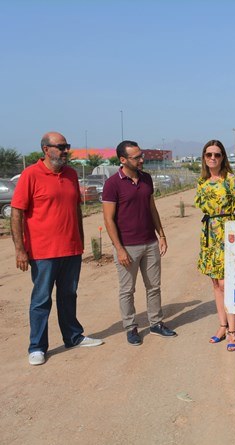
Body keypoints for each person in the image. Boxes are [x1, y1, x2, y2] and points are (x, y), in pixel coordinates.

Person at [11, 131, 104, 366]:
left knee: (68, 295)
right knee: (41, 299)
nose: (65, 151)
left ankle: (73, 337)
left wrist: (80, 240)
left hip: (71, 250)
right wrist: (20, 250)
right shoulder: (31, 175)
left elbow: (76, 210)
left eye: (66, 146)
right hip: (42, 253)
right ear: (46, 149)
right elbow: (17, 213)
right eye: (61, 147)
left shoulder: (71, 174)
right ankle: (37, 347)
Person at [102, 140, 176, 346]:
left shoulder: (146, 179)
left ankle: (156, 323)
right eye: (137, 157)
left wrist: (161, 235)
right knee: (127, 290)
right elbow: (108, 219)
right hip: (127, 247)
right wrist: (119, 249)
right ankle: (131, 327)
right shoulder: (112, 184)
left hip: (150, 243)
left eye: (141, 155)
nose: (142, 159)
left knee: (154, 287)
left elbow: (152, 208)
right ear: (123, 160)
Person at [195, 140, 235, 352]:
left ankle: (234, 330)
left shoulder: (232, 180)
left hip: (226, 234)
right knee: (216, 284)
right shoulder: (202, 182)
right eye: (209, 155)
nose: (213, 158)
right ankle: (223, 326)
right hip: (208, 235)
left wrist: (229, 230)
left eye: (217, 154)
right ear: (204, 158)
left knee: (227, 284)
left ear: (223, 157)